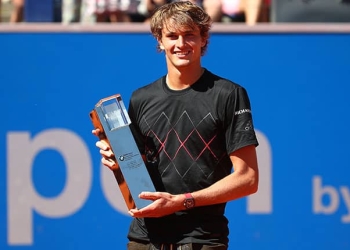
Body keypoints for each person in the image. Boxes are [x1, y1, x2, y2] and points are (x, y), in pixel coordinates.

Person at [92, 1, 259, 249]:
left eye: (189, 35)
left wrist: (181, 202)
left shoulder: (229, 94)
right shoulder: (141, 98)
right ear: (160, 41)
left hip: (201, 239)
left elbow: (248, 179)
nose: (181, 45)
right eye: (172, 36)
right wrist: (117, 159)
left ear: (203, 39)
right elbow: (138, 168)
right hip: (144, 238)